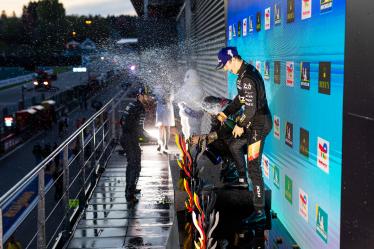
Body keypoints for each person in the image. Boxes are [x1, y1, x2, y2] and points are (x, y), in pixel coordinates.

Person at [216, 47, 272, 226]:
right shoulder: (242, 75)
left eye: (225, 65)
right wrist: (225, 113)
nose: (225, 69)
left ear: (232, 59)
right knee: (234, 145)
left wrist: (240, 125)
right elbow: (240, 100)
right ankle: (240, 178)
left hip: (259, 124)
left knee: (254, 166)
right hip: (254, 122)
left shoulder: (247, 77)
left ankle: (259, 212)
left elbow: (251, 108)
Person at [119, 87, 151, 203]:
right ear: (140, 95)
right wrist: (146, 137)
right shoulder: (139, 108)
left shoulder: (132, 105)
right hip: (130, 139)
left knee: (134, 165)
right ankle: (129, 195)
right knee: (134, 166)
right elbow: (138, 128)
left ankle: (131, 189)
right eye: (147, 96)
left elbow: (122, 121)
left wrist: (140, 135)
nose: (148, 98)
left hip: (128, 137)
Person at [174, 69, 206, 139]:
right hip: (186, 115)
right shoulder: (186, 87)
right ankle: (189, 147)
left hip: (194, 116)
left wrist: (183, 101)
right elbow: (177, 98)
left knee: (193, 134)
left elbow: (194, 99)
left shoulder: (198, 89)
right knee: (186, 133)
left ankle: (193, 148)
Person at [153, 85, 175, 154]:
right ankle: (160, 144)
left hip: (167, 109)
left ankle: (166, 144)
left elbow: (172, 97)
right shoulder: (157, 87)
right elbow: (155, 96)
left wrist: (168, 98)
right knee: (160, 128)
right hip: (160, 109)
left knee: (167, 128)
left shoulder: (170, 87)